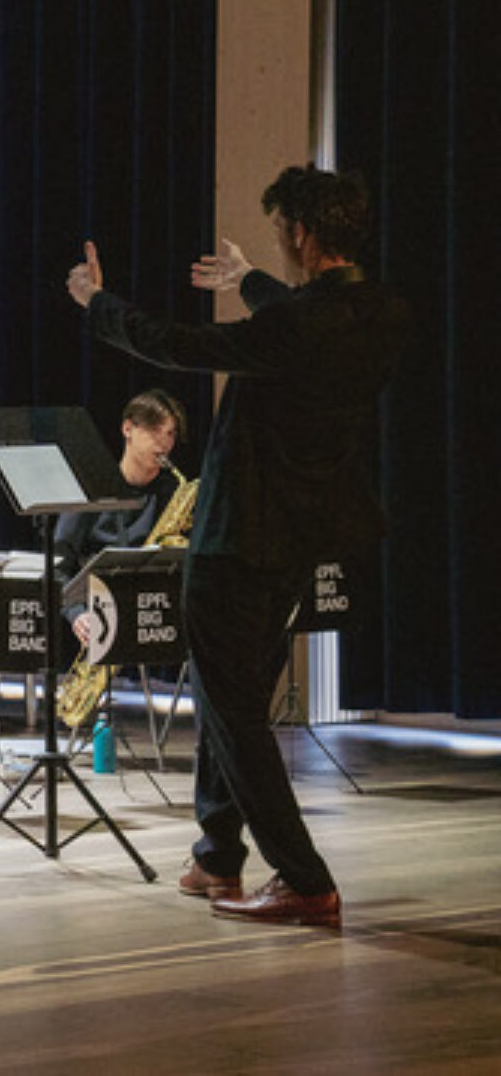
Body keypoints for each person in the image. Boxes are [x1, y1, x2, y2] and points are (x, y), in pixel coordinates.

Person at [66, 164, 410, 929]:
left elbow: (178, 342)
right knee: (236, 702)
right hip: (301, 535)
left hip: (240, 534)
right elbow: (310, 316)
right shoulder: (381, 312)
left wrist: (100, 305)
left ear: (303, 233)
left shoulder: (295, 328)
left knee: (232, 714)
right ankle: (218, 855)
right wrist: (253, 281)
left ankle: (304, 877)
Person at [56, 389, 189, 648]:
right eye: (154, 430)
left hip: (153, 614)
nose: (164, 443)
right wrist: (76, 614)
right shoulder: (90, 489)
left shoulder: (173, 492)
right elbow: (59, 566)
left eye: (170, 433)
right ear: (128, 429)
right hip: (96, 614)